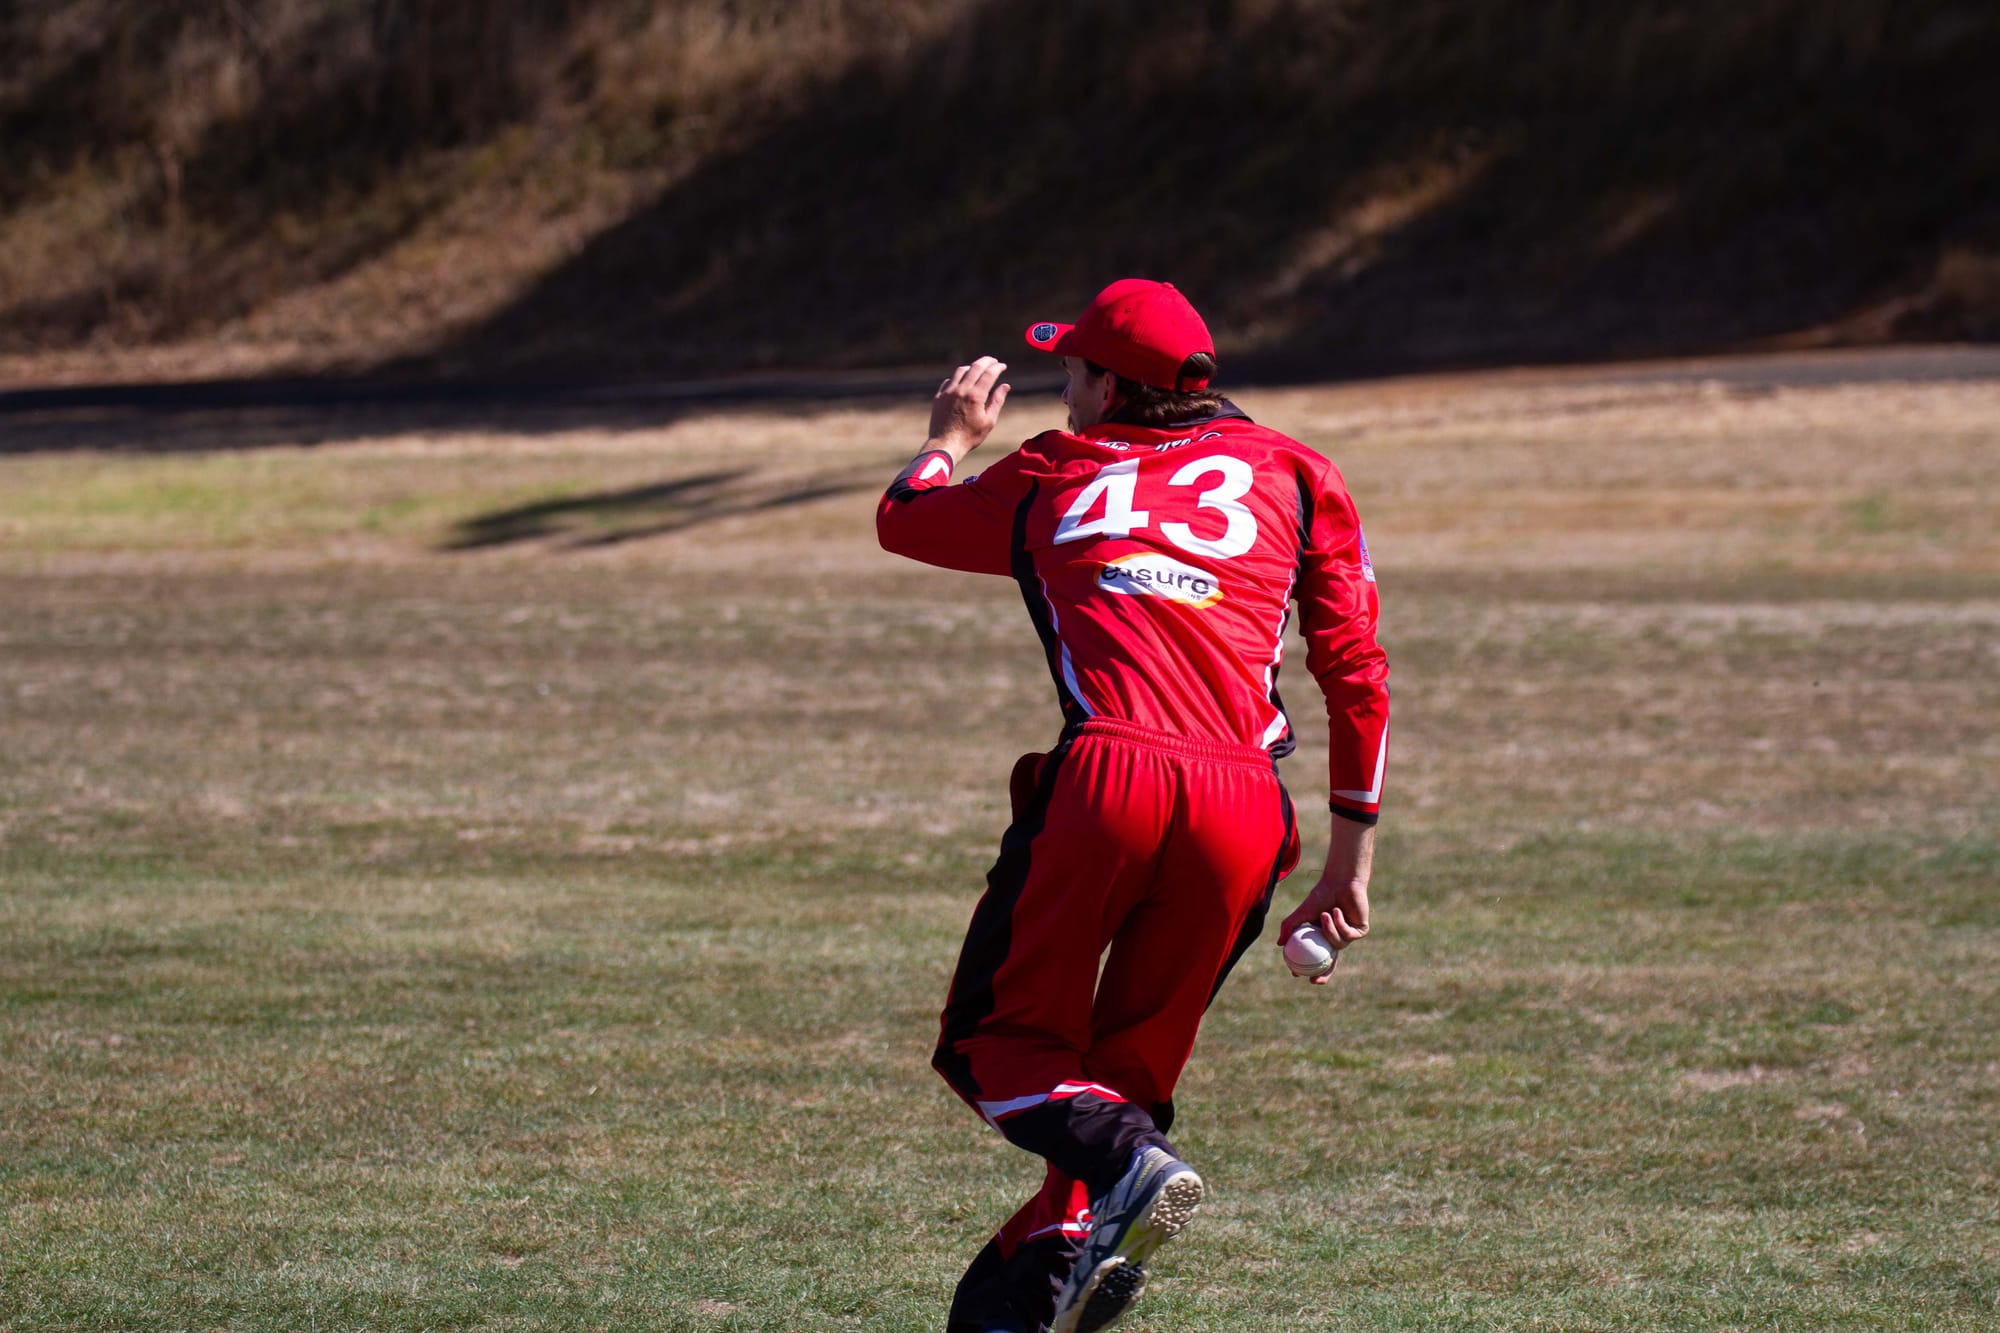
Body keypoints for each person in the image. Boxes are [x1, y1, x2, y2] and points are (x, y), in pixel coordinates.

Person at [876, 279, 1389, 1333]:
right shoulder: (1296, 472)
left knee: (992, 1046)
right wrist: (1351, 860)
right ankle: (1046, 1269)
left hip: (1109, 780)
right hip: (1250, 810)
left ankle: (1125, 1170)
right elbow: (1356, 673)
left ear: (1109, 385)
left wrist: (947, 438)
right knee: (1121, 1082)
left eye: (1071, 372)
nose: (1063, 392)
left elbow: (905, 521)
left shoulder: (1053, 468)